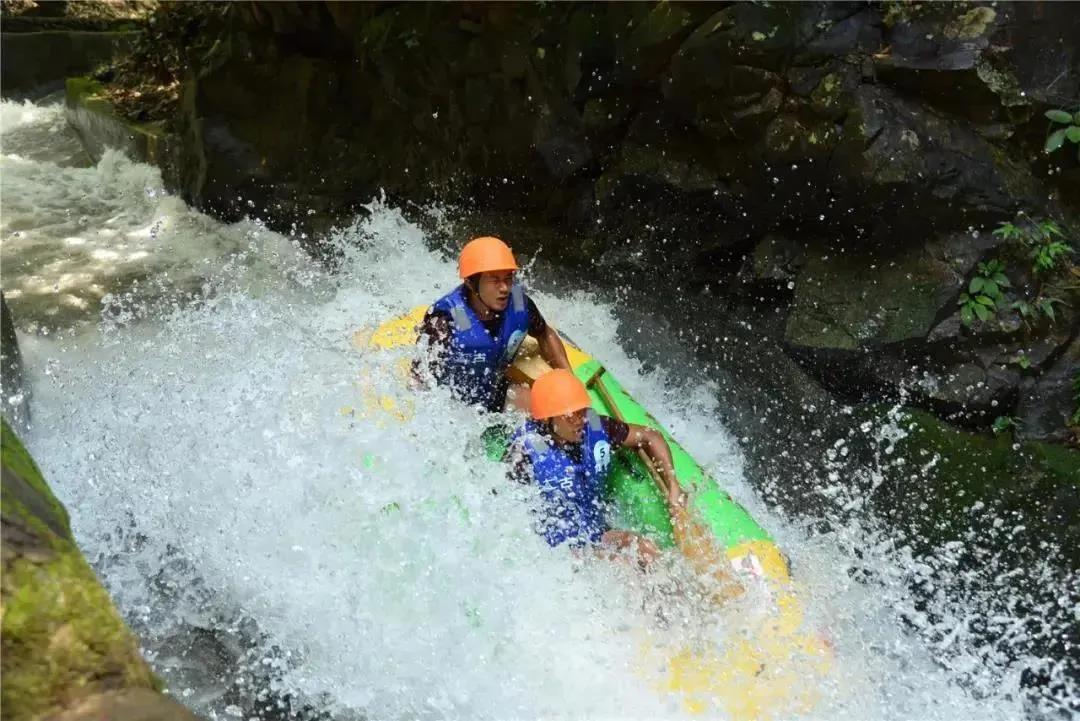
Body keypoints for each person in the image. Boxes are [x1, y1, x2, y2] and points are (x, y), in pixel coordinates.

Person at [507, 369, 687, 567]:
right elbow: (506, 511)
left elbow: (649, 436)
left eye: (581, 411)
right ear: (547, 419)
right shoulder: (525, 452)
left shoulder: (595, 426)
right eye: (570, 416)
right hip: (558, 549)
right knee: (621, 563)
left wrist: (673, 485)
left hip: (596, 531)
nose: (579, 420)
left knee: (643, 546)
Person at [414, 236, 571, 412]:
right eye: (494, 280)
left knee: (547, 411)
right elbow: (419, 374)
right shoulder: (446, 320)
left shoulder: (519, 303)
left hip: (495, 389)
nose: (504, 288)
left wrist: (569, 380)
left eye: (508, 278)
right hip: (452, 403)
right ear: (470, 283)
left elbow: (544, 334)